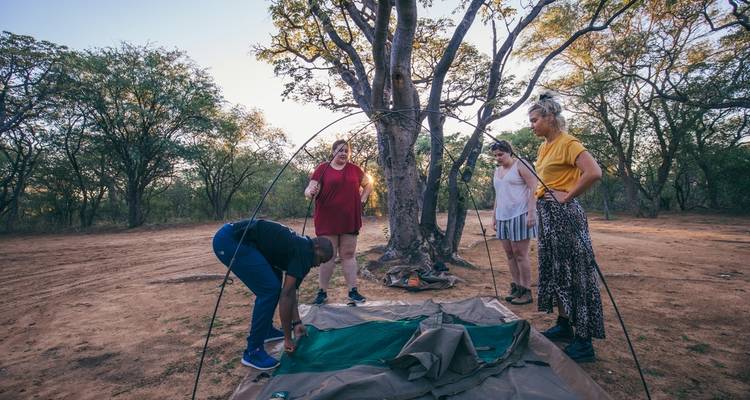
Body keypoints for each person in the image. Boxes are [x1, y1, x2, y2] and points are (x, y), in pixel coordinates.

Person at [529, 92, 604, 362]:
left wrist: (567, 195)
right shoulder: (545, 146)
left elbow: (594, 172)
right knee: (557, 270)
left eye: (535, 120)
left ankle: (584, 341)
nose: (532, 125)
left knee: (574, 272)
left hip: (564, 216)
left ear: (550, 118)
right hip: (548, 216)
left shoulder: (569, 142)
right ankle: (564, 324)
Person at [212, 219, 334, 370]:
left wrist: (296, 323)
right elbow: (286, 295)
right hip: (230, 241)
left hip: (246, 242)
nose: (317, 264)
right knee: (270, 290)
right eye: (320, 259)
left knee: (275, 281)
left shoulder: (304, 248)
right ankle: (253, 351)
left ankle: (267, 331)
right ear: (316, 247)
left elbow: (291, 291)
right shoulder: (304, 253)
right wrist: (288, 340)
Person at [305, 139, 373, 305]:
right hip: (327, 219)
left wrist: (362, 199)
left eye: (346, 151)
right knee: (328, 256)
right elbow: (310, 189)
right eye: (340, 150)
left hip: (350, 218)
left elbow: (368, 184)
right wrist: (310, 192)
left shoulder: (354, 169)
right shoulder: (323, 168)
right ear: (333, 151)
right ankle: (322, 292)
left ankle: (352, 291)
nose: (343, 153)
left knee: (348, 255)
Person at [490, 140, 538, 305]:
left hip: (520, 213)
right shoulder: (497, 171)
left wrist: (532, 212)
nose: (498, 158)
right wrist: (494, 215)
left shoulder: (521, 164)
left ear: (509, 152)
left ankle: (526, 291)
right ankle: (516, 287)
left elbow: (534, 187)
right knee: (509, 254)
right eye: (495, 155)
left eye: (501, 154)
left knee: (520, 254)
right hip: (502, 216)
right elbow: (499, 194)